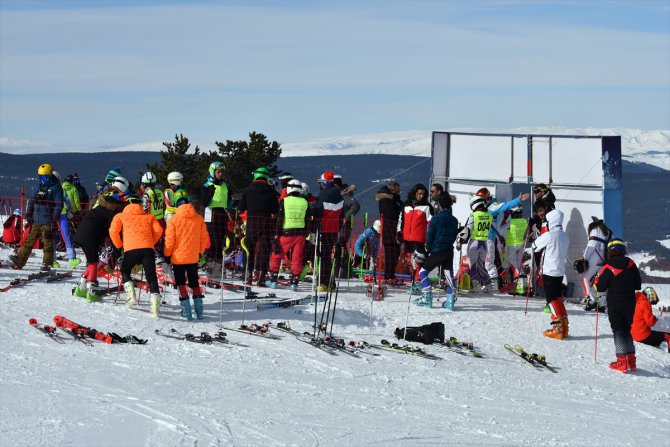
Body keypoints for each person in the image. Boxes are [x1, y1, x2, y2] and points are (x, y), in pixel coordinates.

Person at [109, 195, 164, 316]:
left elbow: (113, 231)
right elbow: (159, 231)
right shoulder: (149, 217)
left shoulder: (120, 216)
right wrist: (151, 242)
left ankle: (130, 296)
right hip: (147, 249)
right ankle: (155, 306)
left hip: (131, 249)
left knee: (125, 270)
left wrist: (119, 245)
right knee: (151, 276)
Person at [595, 238, 642, 372]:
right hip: (630, 303)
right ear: (623, 250)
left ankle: (622, 362)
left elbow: (600, 287)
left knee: (618, 331)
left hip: (615, 303)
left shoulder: (607, 267)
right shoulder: (631, 264)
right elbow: (638, 285)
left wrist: (599, 279)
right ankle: (631, 361)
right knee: (627, 329)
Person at [9, 164, 64, 271]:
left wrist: (54, 218)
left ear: (50, 175)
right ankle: (20, 260)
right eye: (40, 177)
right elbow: (32, 200)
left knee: (47, 242)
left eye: (44, 177)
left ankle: (47, 264)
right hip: (36, 219)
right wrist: (29, 213)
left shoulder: (56, 187)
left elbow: (59, 205)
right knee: (29, 241)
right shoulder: (38, 185)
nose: (42, 179)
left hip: (48, 220)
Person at [164, 191, 209, 320]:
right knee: (194, 281)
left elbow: (170, 240)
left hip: (178, 258)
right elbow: (203, 238)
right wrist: (200, 252)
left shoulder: (173, 219)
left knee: (181, 283)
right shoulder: (199, 218)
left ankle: (186, 311)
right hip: (193, 256)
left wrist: (167, 254)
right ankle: (199, 311)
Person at [72, 194, 124, 302]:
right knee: (93, 263)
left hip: (81, 236)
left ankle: (80, 288)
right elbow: (113, 232)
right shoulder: (111, 214)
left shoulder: (98, 209)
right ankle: (92, 292)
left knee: (92, 262)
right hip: (90, 238)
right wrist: (118, 249)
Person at [268, 179, 314, 291]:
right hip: (301, 235)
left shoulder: (284, 201)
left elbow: (280, 219)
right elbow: (308, 219)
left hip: (286, 233)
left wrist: (277, 233)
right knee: (297, 258)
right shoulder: (305, 202)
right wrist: (307, 232)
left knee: (277, 255)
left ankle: (273, 280)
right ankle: (294, 283)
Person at [415, 194, 459, 308]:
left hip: (437, 250)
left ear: (439, 205)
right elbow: (454, 236)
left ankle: (427, 298)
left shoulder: (436, 219)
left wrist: (428, 249)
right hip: (449, 250)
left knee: (423, 272)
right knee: (449, 275)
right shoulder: (454, 220)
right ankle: (450, 301)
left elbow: (430, 236)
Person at [532, 209, 570, 339]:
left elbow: (534, 247)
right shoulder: (565, 235)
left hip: (549, 270)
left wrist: (537, 236)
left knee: (551, 300)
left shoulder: (549, 235)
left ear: (551, 221)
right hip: (559, 270)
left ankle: (558, 328)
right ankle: (564, 326)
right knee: (558, 298)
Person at [238, 167, 279, 287]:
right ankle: (261, 277)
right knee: (264, 249)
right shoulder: (271, 191)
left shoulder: (247, 190)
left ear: (255, 175)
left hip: (251, 222)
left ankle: (248, 275)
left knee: (248, 248)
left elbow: (241, 208)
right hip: (266, 222)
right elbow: (275, 210)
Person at [456, 196, 493, 292]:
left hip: (474, 242)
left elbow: (467, 229)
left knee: (473, 266)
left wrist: (460, 242)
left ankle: (476, 285)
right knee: (481, 266)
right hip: (484, 243)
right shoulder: (489, 215)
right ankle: (488, 285)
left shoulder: (473, 215)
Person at [315, 171, 344, 291]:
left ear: (325, 182)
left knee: (323, 256)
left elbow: (319, 214)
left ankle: (324, 282)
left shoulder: (323, 195)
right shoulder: (339, 195)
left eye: (321, 182)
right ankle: (331, 283)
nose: (320, 185)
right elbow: (341, 215)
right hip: (334, 230)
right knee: (329, 256)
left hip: (324, 229)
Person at [399, 183, 433, 279]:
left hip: (419, 238)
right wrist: (399, 232)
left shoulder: (427, 207)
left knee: (419, 259)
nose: (421, 196)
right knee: (410, 260)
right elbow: (401, 220)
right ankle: (412, 278)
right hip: (407, 237)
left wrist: (428, 238)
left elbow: (430, 223)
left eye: (423, 194)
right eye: (419, 194)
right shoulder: (406, 205)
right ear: (415, 193)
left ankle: (418, 278)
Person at [202, 162, 229, 279]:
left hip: (222, 213)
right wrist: (211, 191)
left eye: (222, 171)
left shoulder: (224, 185)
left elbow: (229, 201)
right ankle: (209, 267)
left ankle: (217, 269)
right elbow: (204, 202)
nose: (221, 173)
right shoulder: (207, 185)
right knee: (214, 241)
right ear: (212, 172)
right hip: (211, 213)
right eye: (218, 171)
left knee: (221, 242)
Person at [51, 171, 81, 270]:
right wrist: (72, 210)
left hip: (59, 214)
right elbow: (68, 201)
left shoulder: (60, 187)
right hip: (59, 214)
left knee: (60, 236)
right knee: (63, 236)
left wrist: (69, 210)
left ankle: (69, 259)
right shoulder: (60, 187)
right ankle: (55, 259)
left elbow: (65, 200)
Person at [580, 218, 612, 312]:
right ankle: (602, 304)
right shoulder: (606, 231)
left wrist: (584, 258)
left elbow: (591, 246)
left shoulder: (594, 230)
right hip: (604, 260)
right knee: (599, 283)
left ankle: (591, 299)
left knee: (585, 278)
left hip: (594, 260)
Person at [376, 181, 403, 283]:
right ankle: (388, 276)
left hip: (395, 229)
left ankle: (391, 275)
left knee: (395, 253)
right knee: (390, 254)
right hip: (389, 229)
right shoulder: (385, 199)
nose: (400, 190)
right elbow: (390, 214)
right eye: (398, 188)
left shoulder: (395, 199)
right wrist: (399, 210)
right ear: (394, 188)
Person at [631, 287, 670, 351]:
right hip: (642, 336)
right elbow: (650, 322)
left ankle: (657, 346)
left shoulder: (636, 300)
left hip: (633, 334)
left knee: (655, 335)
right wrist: (654, 318)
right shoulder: (645, 303)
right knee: (668, 336)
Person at [335, 183, 360, 278]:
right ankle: (341, 270)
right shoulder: (343, 198)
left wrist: (346, 217)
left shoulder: (347, 197)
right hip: (341, 226)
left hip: (343, 227)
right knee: (339, 247)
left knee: (341, 246)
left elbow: (356, 206)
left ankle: (344, 271)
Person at [505, 205, 528, 281]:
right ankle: (522, 280)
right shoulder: (525, 221)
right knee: (519, 264)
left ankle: (516, 281)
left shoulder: (510, 222)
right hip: (521, 244)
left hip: (511, 245)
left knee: (513, 265)